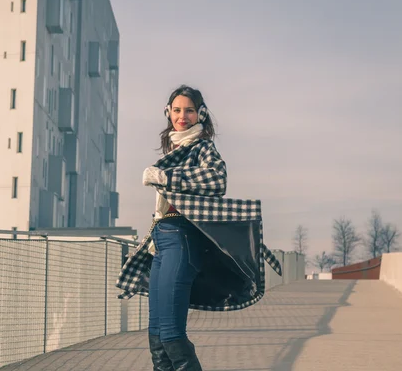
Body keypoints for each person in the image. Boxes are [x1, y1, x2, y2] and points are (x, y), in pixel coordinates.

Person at [116, 85, 282, 371]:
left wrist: (166, 177)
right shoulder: (176, 147)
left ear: (200, 114)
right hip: (162, 243)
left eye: (189, 110)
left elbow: (217, 179)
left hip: (181, 241)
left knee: (170, 334)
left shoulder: (201, 147)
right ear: (168, 113)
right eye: (177, 110)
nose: (183, 116)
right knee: (156, 337)